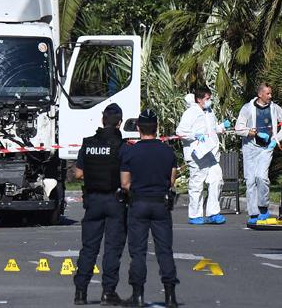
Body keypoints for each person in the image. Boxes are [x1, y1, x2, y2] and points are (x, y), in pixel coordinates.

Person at [120, 109, 180, 308]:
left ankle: (137, 294)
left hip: (138, 203)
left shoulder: (130, 151)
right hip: (160, 203)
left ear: (138, 128)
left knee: (138, 251)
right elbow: (171, 181)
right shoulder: (167, 151)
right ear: (157, 127)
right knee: (165, 250)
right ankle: (170, 294)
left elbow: (125, 183)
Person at [72, 104, 128, 306]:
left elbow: (77, 174)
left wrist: (95, 176)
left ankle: (80, 292)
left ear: (102, 120)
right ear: (119, 123)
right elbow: (125, 178)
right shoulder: (122, 146)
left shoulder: (88, 144)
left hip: (93, 201)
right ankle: (108, 292)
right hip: (115, 200)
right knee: (112, 249)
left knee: (89, 248)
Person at [235, 83, 282, 225]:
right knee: (250, 181)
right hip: (250, 148)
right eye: (267, 94)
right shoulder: (247, 108)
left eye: (271, 93)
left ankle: (263, 208)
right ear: (260, 94)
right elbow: (238, 128)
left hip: (266, 149)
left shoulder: (275, 108)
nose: (270, 96)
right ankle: (253, 213)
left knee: (261, 177)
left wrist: (276, 139)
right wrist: (254, 133)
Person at [175, 87, 230, 225]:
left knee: (217, 180)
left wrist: (222, 127)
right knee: (197, 185)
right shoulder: (191, 113)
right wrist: (195, 136)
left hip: (211, 153)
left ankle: (213, 213)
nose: (209, 101)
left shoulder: (209, 112)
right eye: (207, 99)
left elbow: (212, 129)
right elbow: (180, 131)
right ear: (199, 99)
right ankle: (195, 215)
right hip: (197, 155)